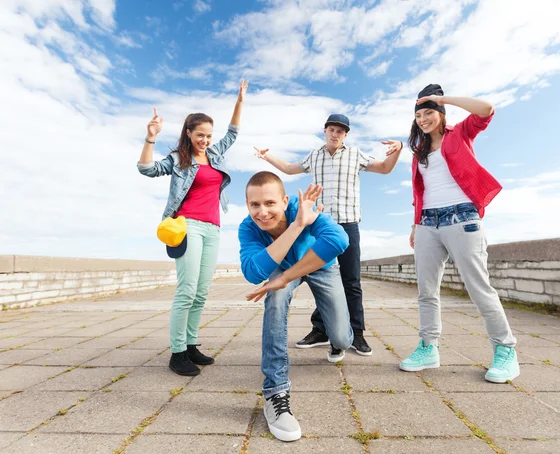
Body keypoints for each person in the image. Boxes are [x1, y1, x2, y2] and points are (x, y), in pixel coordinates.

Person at [396, 83, 519, 383]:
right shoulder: (419, 152)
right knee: (426, 292)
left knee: (479, 289)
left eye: (429, 112)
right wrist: (415, 225)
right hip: (427, 224)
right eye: (419, 115)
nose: (423, 119)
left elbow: (486, 109)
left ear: (440, 112)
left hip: (462, 219)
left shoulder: (460, 133)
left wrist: (444, 99)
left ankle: (505, 350)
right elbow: (419, 192)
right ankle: (429, 347)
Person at [254, 114, 402, 356]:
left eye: (341, 131)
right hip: (320, 225)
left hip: (348, 223)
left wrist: (399, 149)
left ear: (346, 135)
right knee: (321, 277)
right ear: (325, 131)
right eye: (332, 130)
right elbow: (290, 169)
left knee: (351, 281)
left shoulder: (356, 155)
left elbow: (385, 168)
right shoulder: (315, 156)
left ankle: (358, 333)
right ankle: (321, 330)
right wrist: (266, 155)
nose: (336, 134)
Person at [137, 79, 249, 377]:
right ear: (188, 133)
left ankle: (190, 345)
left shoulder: (214, 154)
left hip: (213, 228)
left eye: (209, 135)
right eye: (200, 135)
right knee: (186, 290)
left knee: (201, 292)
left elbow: (233, 133)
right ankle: (176, 353)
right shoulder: (178, 160)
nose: (206, 140)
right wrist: (150, 138)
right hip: (188, 228)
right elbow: (146, 169)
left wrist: (239, 101)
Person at [239, 171, 353, 442]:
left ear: (284, 200)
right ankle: (276, 390)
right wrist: (296, 227)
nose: (263, 212)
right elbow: (253, 272)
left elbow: (339, 240)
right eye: (255, 205)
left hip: (320, 264)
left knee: (341, 338)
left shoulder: (302, 207)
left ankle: (336, 338)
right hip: (282, 266)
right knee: (275, 298)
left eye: (269, 203)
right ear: (247, 206)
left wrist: (286, 276)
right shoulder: (249, 227)